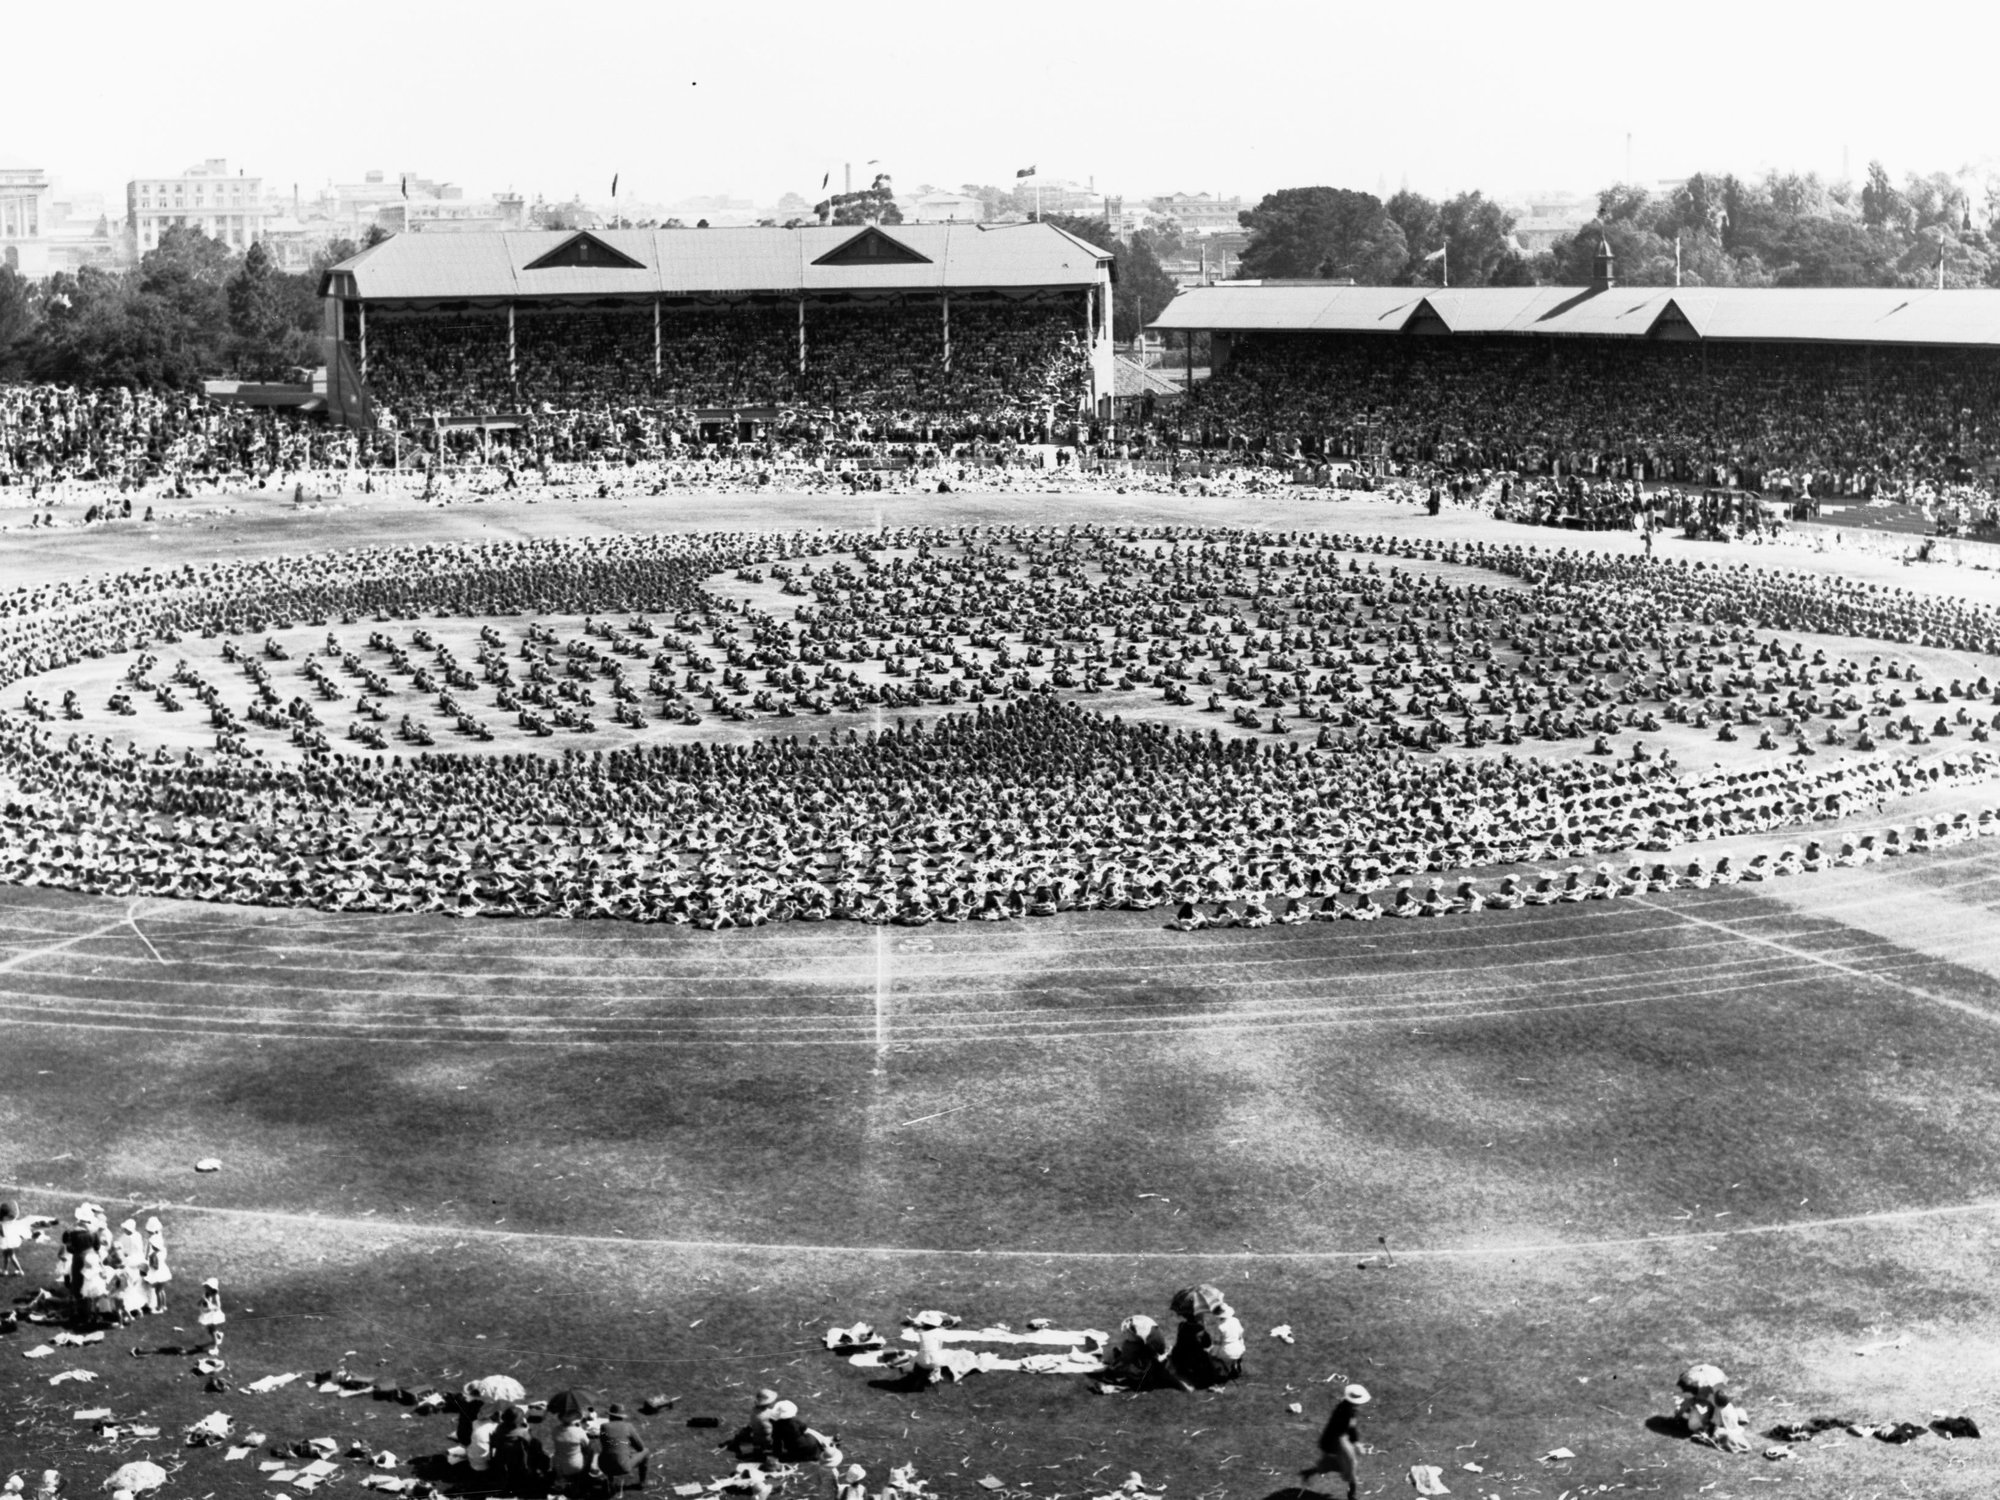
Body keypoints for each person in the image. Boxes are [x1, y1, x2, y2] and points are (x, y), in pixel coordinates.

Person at [1301, 1384, 1370, 1499]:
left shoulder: (1348, 1409)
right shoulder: (1344, 1412)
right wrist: (1353, 1444)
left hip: (1339, 1442)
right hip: (1337, 1443)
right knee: (1349, 1465)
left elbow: (1350, 1428)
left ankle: (1310, 1472)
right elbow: (1343, 1429)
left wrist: (1355, 1442)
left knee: (1338, 1465)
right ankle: (1352, 1495)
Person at [596, 1403, 649, 1492]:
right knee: (646, 1451)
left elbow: (605, 1444)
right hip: (622, 1467)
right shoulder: (628, 1426)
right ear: (622, 1417)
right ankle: (642, 1483)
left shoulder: (604, 1427)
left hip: (604, 1465)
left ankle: (610, 1481)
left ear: (610, 1416)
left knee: (609, 1451)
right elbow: (640, 1447)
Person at [547, 1408, 597, 1495]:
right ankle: (584, 1477)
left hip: (558, 1464)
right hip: (575, 1465)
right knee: (592, 1449)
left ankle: (561, 1481)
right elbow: (587, 1445)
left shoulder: (555, 1430)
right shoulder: (579, 1431)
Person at [196, 1277, 226, 1351]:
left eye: (208, 1287)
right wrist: (202, 1301)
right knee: (210, 1330)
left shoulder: (216, 1296)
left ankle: (216, 1348)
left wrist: (210, 1307)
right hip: (207, 1315)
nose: (206, 1288)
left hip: (213, 1316)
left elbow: (218, 1307)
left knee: (212, 1331)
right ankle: (218, 1336)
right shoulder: (205, 1294)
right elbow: (198, 1303)